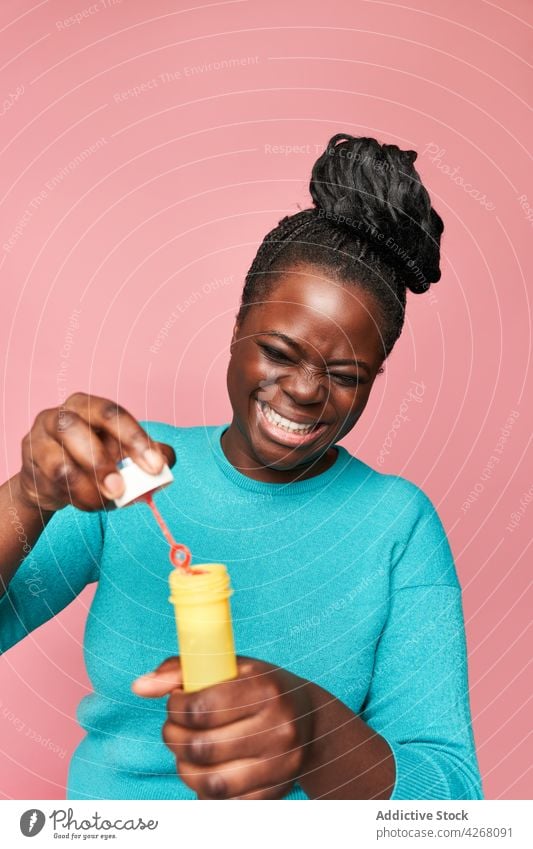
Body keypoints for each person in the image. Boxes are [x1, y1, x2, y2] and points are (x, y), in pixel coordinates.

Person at [0, 133, 483, 800]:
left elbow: (452, 800)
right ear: (237, 329)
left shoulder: (396, 525)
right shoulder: (130, 477)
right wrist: (28, 496)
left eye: (344, 374)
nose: (307, 390)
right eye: (280, 352)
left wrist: (313, 734)